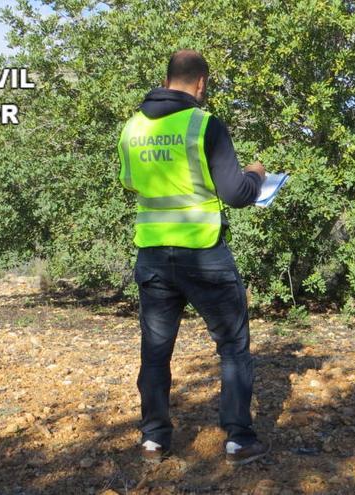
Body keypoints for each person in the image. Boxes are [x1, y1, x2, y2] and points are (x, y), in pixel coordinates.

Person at [117, 49, 270, 466]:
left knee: (155, 350)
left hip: (152, 255)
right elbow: (237, 195)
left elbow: (131, 182)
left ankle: (153, 439)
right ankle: (239, 439)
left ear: (167, 80)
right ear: (200, 84)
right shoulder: (204, 125)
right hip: (203, 255)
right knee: (233, 346)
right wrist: (256, 175)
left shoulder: (133, 127)